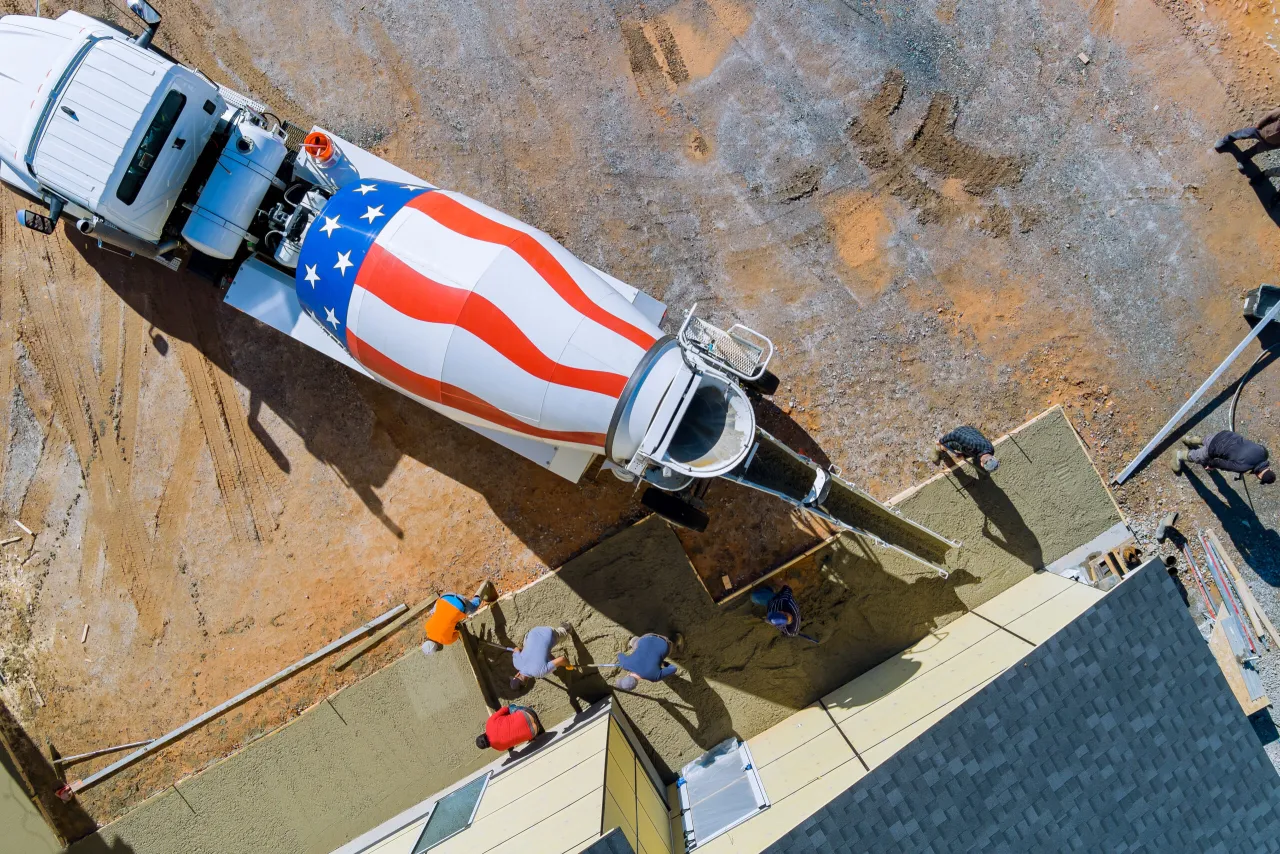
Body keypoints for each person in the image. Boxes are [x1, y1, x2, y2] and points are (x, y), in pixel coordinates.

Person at [421, 580, 498, 655]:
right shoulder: (427, 627)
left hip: (460, 603)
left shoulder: (446, 641)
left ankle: (485, 585)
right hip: (445, 597)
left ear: (437, 646)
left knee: (474, 607)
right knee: (434, 612)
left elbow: (457, 633)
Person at [1174, 432, 1276, 483]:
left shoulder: (1264, 453)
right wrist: (1210, 465)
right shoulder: (1243, 467)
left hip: (1225, 434)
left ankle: (1188, 438)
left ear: (1269, 469)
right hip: (1214, 447)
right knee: (1199, 457)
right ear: (1259, 477)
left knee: (1205, 439)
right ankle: (1178, 454)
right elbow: (1220, 463)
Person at [509, 624, 574, 691]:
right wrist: (524, 653)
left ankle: (565, 628)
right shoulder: (516, 663)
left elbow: (562, 659)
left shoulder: (540, 672)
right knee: (526, 645)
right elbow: (516, 649)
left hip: (548, 632)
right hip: (533, 631)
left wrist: (568, 665)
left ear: (526, 683)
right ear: (517, 675)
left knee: (562, 635)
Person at [613, 632, 683, 691]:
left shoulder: (654, 677)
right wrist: (624, 664)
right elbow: (619, 655)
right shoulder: (625, 664)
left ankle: (677, 639)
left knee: (669, 648)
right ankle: (633, 640)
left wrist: (664, 663)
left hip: (665, 642)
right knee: (635, 644)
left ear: (637, 683)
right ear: (627, 675)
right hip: (648, 636)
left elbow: (673, 668)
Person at [1214, 107, 1280, 169]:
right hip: (1260, 131)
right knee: (1241, 134)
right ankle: (1225, 140)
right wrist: (1259, 125)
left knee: (1255, 150)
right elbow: (1269, 116)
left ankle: (1242, 159)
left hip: (1272, 144)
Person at [475, 704, 542, 752]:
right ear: (483, 734)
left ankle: (532, 737)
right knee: (511, 707)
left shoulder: (498, 748)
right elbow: (505, 709)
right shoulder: (489, 723)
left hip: (535, 731)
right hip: (529, 713)